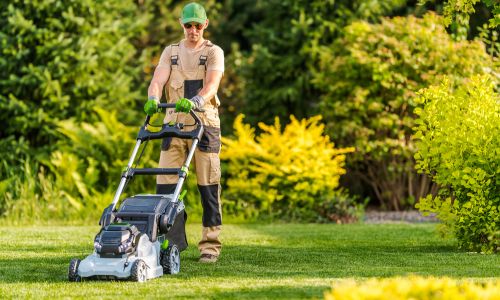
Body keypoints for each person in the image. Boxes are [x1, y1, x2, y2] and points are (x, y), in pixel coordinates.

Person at [144, 2, 224, 263]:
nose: (193, 30)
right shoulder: (171, 52)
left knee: (208, 187)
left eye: (197, 25)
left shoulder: (214, 53)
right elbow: (158, 79)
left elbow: (212, 84)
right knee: (166, 188)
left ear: (205, 25)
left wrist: (197, 101)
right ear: (181, 24)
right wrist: (154, 98)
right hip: (174, 124)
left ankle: (210, 246)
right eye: (188, 25)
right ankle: (172, 243)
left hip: (204, 125)